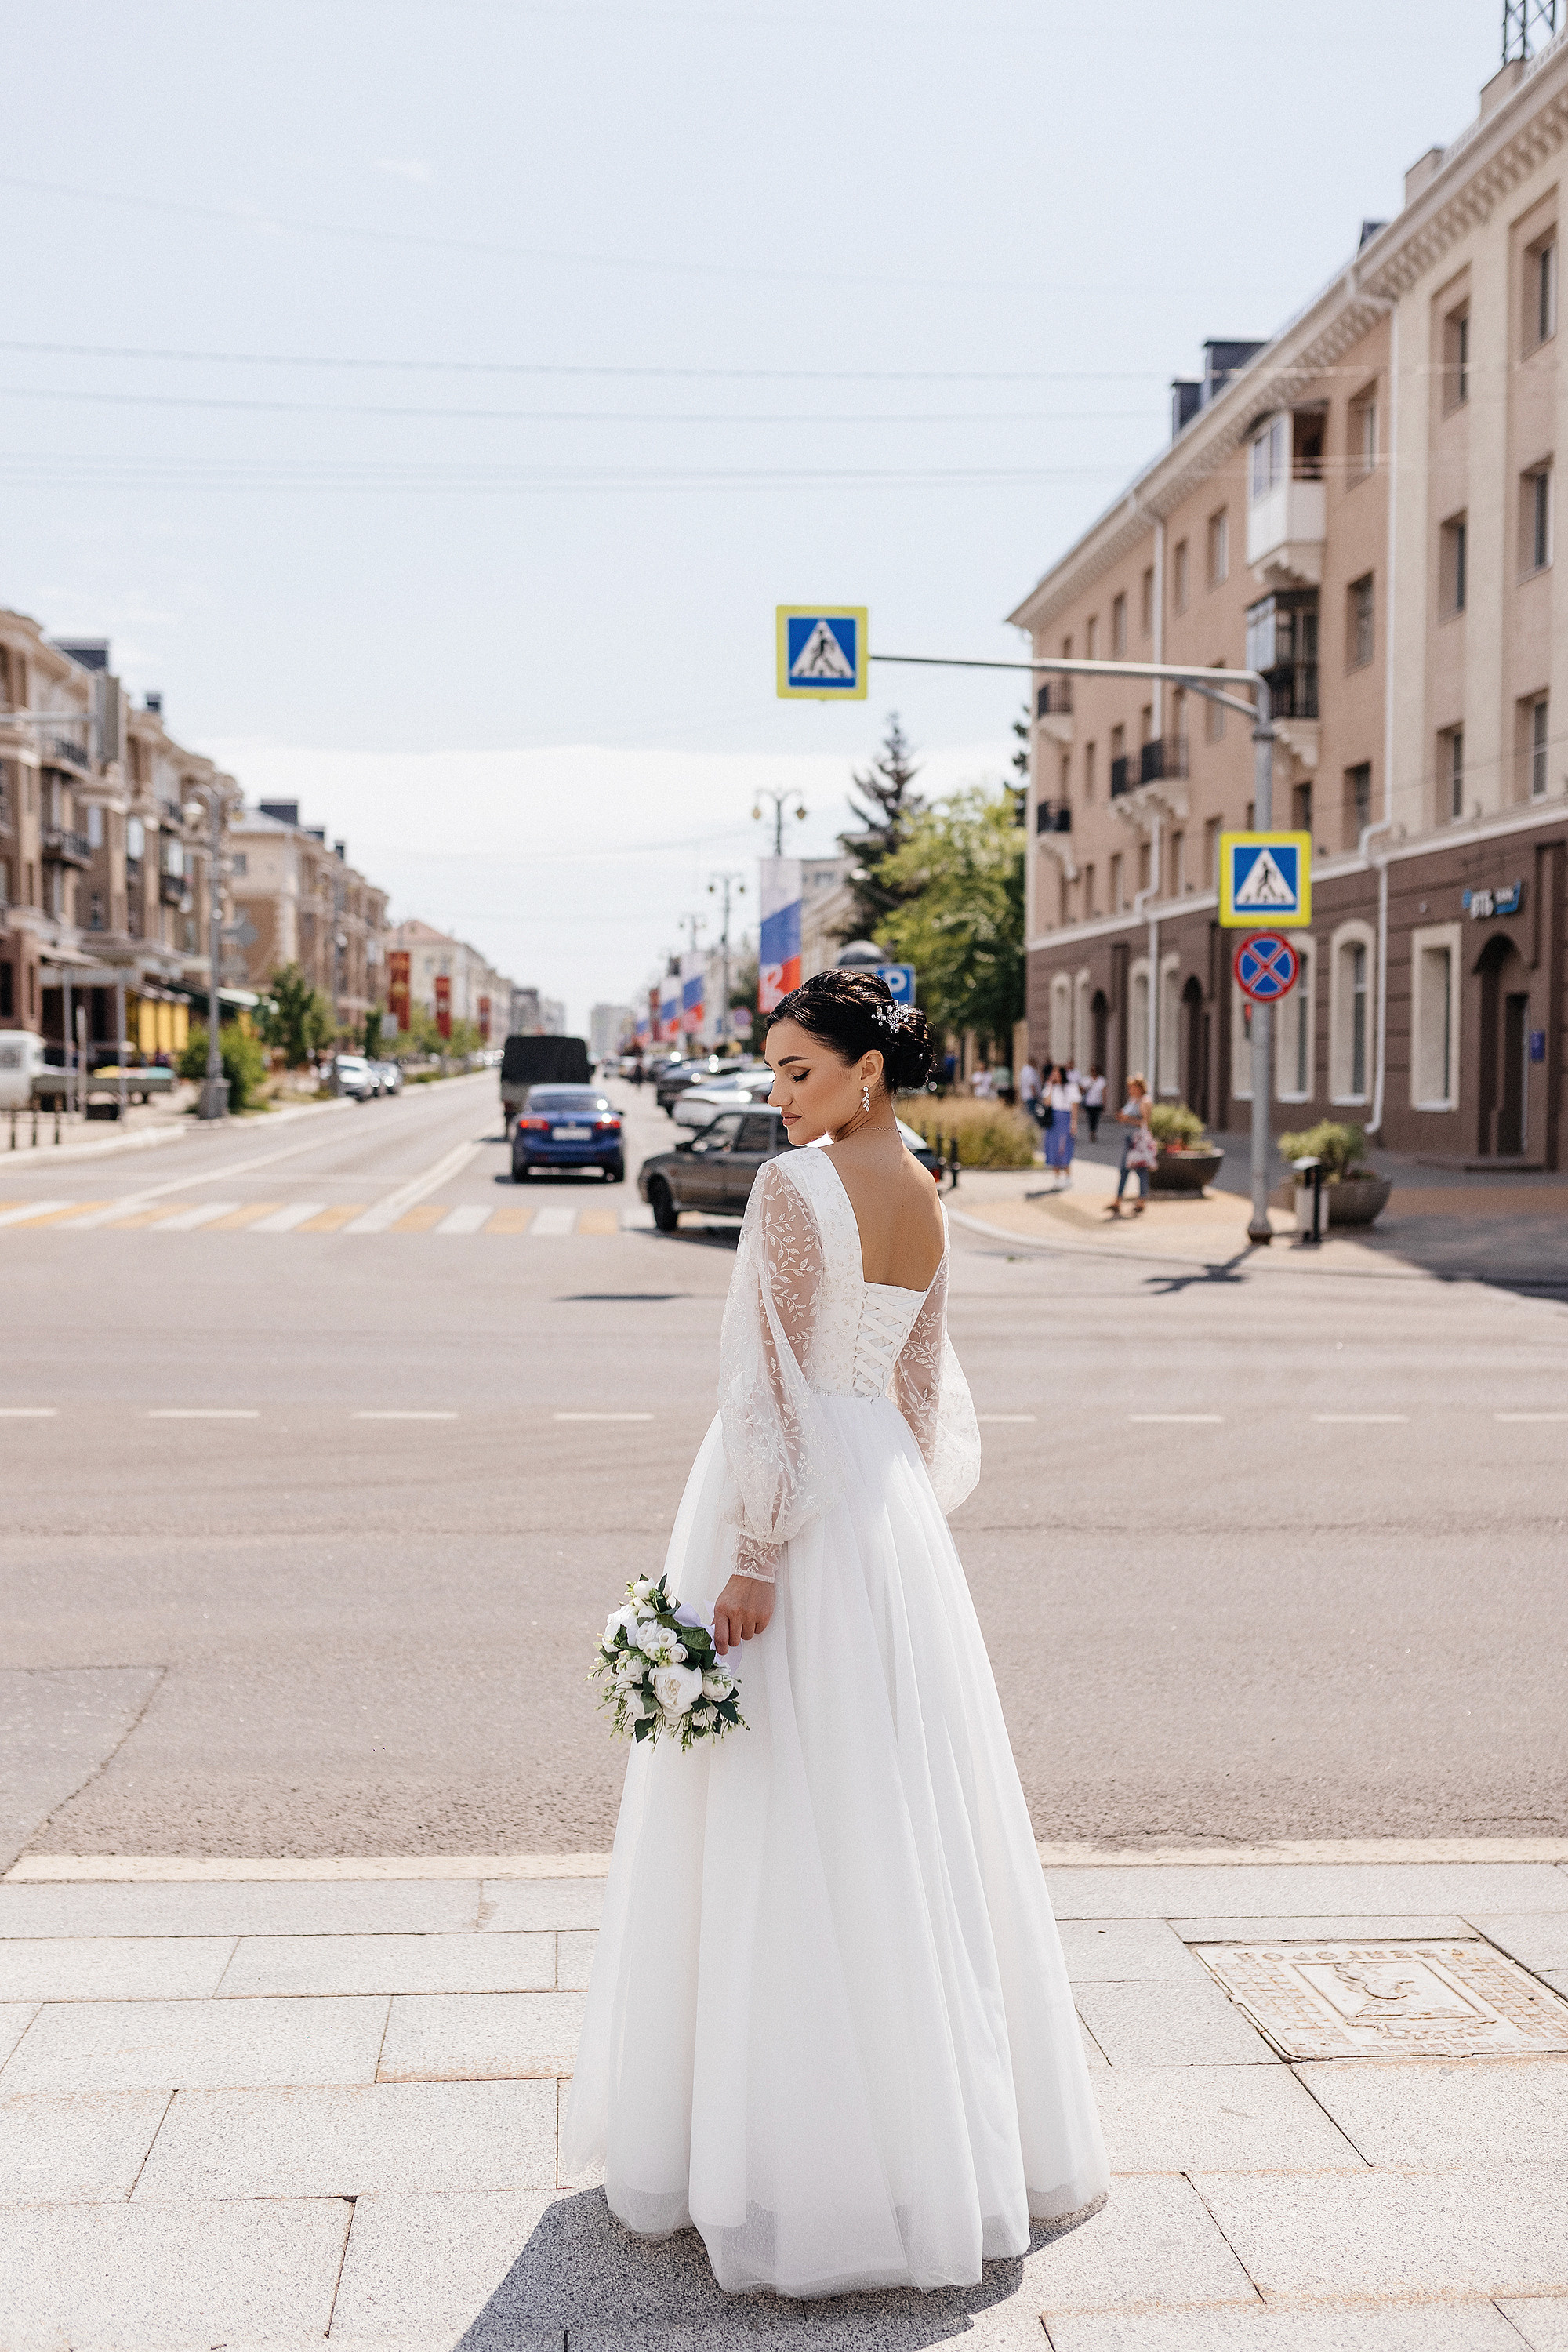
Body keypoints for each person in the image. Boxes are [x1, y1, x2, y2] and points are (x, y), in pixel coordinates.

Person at [564, 969, 1108, 2297]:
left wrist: (757, 1555)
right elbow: (919, 1389)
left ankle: (776, 2148)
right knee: (895, 1810)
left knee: (780, 1805)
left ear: (867, 1070)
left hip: (792, 1508)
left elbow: (768, 1375)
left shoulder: (791, 1190)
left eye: (799, 1069)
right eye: (776, 1069)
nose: (778, 1092)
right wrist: (894, 1523)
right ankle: (917, 2139)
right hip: (884, 1512)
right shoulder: (924, 1190)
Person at [1108, 1073, 1155, 1216]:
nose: (1130, 1090)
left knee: (1140, 1170)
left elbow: (1145, 1122)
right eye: (1130, 1088)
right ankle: (1119, 1200)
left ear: (1140, 1088)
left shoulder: (1145, 1101)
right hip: (1129, 1139)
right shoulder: (1132, 1100)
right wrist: (1123, 1118)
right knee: (1125, 1170)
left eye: (1133, 1087)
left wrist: (1128, 1119)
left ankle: (1140, 1201)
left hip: (1138, 1141)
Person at [1042, 1062, 1080, 1189]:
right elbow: (1047, 1102)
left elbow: (1074, 1106)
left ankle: (1068, 1177)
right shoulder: (1050, 1086)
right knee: (1053, 1147)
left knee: (1064, 1147)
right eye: (1054, 1074)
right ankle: (1057, 1177)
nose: (1055, 1076)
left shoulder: (1071, 1087)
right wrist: (1051, 1086)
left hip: (1065, 1118)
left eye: (1057, 1074)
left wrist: (1073, 1123)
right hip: (1053, 1119)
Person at [1082, 1065, 1107, 1142]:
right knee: (1090, 1118)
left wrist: (1104, 1102)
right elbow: (1082, 1089)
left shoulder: (1101, 1080)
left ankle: (1094, 1131)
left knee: (1096, 1118)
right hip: (1089, 1103)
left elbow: (1104, 1092)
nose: (1093, 1072)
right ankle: (1091, 1132)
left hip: (1098, 1102)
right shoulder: (1087, 1079)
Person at [1018, 1057, 1042, 1127]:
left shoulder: (1024, 1070)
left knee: (1028, 1113)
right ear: (1033, 1062)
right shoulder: (1030, 1071)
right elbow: (1032, 1084)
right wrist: (1035, 1095)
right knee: (1032, 1115)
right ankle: (1031, 1127)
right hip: (1031, 1096)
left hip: (1026, 1096)